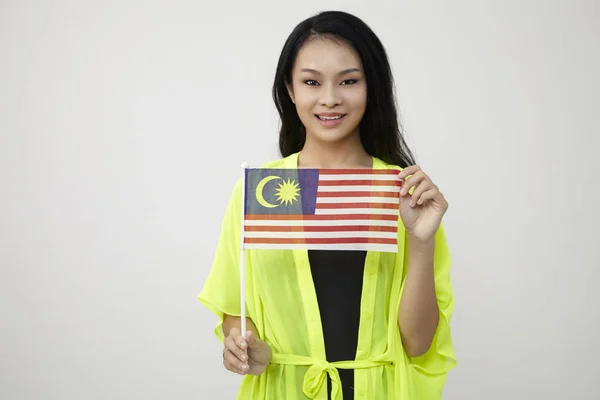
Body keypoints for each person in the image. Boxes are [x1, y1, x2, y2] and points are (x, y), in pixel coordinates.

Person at [198, 10, 456, 400]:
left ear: (372, 88)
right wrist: (251, 351)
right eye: (311, 82)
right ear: (290, 89)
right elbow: (238, 308)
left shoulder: (403, 193)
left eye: (349, 81)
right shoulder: (268, 191)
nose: (330, 99)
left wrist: (421, 243)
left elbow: (418, 344)